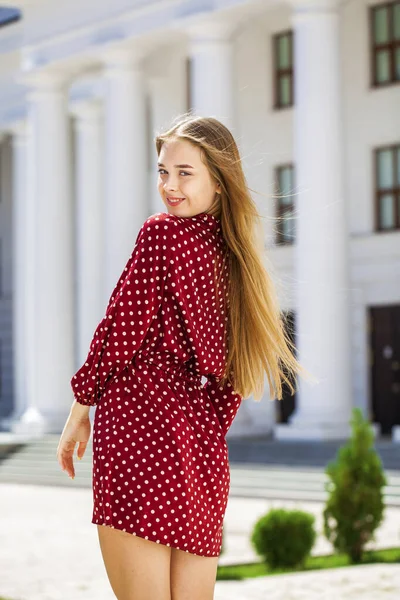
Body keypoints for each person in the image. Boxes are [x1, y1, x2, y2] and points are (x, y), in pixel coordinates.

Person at [56, 114, 311, 599]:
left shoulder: (162, 234)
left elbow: (119, 330)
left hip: (141, 430)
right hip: (200, 449)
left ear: (219, 179)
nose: (169, 186)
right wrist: (202, 431)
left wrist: (80, 407)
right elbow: (234, 375)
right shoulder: (236, 258)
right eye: (162, 171)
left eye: (184, 172)